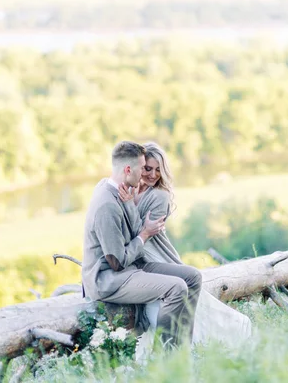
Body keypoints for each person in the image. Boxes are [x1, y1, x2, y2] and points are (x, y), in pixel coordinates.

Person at [119, 141, 252, 347]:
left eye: (158, 170)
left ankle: (187, 344)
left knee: (185, 301)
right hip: (136, 256)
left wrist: (127, 205)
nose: (153, 175)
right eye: (147, 168)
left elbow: (140, 233)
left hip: (157, 256)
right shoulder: (131, 189)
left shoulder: (159, 196)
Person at [81, 140, 202, 348]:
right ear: (128, 169)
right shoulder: (107, 205)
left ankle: (183, 347)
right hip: (109, 278)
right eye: (143, 168)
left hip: (132, 266)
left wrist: (138, 224)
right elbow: (117, 262)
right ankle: (167, 355)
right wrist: (144, 234)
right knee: (176, 287)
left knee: (193, 277)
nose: (146, 176)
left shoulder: (117, 190)